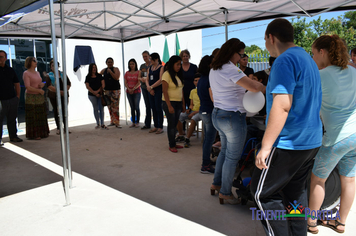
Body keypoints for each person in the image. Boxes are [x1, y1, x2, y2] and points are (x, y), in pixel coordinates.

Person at [250, 19, 322, 236]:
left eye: (265, 40)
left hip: (288, 142)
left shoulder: (284, 61)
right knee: (295, 193)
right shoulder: (307, 59)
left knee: (262, 195)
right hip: (310, 140)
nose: (265, 45)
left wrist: (265, 146)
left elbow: (282, 105)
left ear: (271, 37)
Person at [307, 35, 356, 234]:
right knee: (350, 180)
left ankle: (310, 222)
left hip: (336, 136)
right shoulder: (353, 71)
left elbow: (308, 105)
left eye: (313, 52)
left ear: (322, 52)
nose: (312, 57)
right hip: (355, 133)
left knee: (318, 179)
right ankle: (341, 222)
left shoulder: (321, 75)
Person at [209, 38, 265, 204]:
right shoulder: (230, 69)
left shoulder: (215, 68)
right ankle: (225, 192)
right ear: (232, 52)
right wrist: (262, 86)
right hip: (232, 117)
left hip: (218, 114)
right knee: (232, 157)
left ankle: (217, 184)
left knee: (225, 152)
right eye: (240, 54)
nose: (241, 58)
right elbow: (254, 87)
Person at [197, 55, 217, 174]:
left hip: (203, 111)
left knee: (207, 139)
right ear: (209, 65)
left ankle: (206, 160)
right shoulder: (210, 79)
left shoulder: (202, 79)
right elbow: (213, 98)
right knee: (209, 139)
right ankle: (205, 165)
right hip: (209, 111)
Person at [162, 55, 185, 153]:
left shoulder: (178, 75)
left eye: (180, 64)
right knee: (171, 125)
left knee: (175, 124)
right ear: (172, 64)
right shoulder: (166, 74)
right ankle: (171, 145)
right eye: (177, 64)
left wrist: (183, 104)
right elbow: (165, 91)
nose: (179, 66)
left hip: (178, 103)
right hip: (169, 102)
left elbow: (181, 91)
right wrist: (169, 105)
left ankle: (174, 142)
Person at [23, 56, 49, 140]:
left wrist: (42, 84)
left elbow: (39, 82)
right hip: (31, 97)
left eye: (36, 60)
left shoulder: (37, 72)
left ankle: (43, 132)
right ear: (29, 62)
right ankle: (34, 134)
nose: (36, 62)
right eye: (34, 61)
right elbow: (28, 87)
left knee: (41, 114)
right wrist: (39, 91)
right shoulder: (26, 73)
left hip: (39, 96)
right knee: (33, 115)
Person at [0, 50, 22, 145]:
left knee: (12, 119)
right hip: (0, 101)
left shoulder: (10, 70)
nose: (0, 59)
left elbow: (16, 83)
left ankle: (13, 136)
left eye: (1, 57)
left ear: (5, 58)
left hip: (12, 98)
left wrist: (17, 96)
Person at [44, 60, 71, 135]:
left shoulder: (62, 74)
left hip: (64, 95)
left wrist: (65, 90)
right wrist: (59, 92)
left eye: (56, 65)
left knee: (64, 110)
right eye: (53, 66)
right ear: (51, 67)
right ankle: (59, 128)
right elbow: (49, 86)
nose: (54, 67)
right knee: (56, 111)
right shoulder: (49, 75)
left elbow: (68, 83)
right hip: (54, 96)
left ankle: (66, 127)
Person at [176, 74, 201, 148]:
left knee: (193, 119)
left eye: (199, 80)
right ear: (193, 82)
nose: (197, 82)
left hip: (201, 112)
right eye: (195, 80)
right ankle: (181, 135)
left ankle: (187, 139)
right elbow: (191, 104)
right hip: (193, 111)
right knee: (179, 116)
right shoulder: (193, 91)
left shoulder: (204, 91)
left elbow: (203, 107)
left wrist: (193, 113)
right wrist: (189, 109)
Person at [100, 57, 121, 128]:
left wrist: (111, 72)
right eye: (108, 62)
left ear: (113, 63)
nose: (110, 63)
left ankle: (117, 122)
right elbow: (98, 75)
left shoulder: (116, 69)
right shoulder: (104, 70)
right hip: (107, 91)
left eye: (111, 62)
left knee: (115, 106)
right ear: (106, 63)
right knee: (109, 107)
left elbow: (116, 77)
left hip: (115, 90)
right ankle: (112, 121)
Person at [146, 53, 164, 134]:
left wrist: (152, 87)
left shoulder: (161, 68)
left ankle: (160, 126)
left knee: (158, 108)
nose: (150, 61)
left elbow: (160, 80)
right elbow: (147, 79)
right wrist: (148, 87)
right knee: (153, 108)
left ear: (156, 59)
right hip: (151, 90)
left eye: (151, 59)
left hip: (158, 90)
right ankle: (155, 125)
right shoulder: (149, 68)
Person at [85, 63, 107, 130]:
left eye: (95, 67)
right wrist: (94, 93)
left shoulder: (99, 76)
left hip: (100, 94)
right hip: (92, 95)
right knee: (95, 108)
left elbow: (103, 84)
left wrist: (98, 91)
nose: (94, 69)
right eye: (93, 67)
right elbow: (87, 86)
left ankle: (102, 123)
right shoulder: (88, 77)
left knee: (101, 109)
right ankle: (98, 123)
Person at [124, 58, 141, 128]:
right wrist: (129, 89)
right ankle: (133, 122)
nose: (131, 65)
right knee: (132, 107)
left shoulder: (138, 72)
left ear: (135, 64)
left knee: (137, 107)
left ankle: (137, 122)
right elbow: (125, 82)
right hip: (129, 92)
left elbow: (139, 82)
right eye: (130, 64)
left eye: (133, 64)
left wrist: (133, 89)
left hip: (136, 92)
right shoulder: (127, 73)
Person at [139, 51, 152, 129]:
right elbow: (139, 76)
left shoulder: (152, 65)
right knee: (147, 106)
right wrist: (142, 79)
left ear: (149, 56)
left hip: (151, 87)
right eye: (143, 57)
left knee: (153, 106)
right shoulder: (142, 66)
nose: (144, 58)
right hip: (144, 87)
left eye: (146, 56)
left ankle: (157, 124)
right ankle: (147, 124)